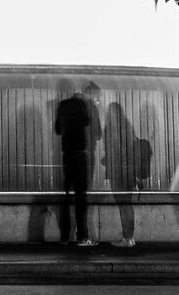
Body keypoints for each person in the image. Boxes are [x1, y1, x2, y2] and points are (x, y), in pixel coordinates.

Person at [52, 81, 102, 247]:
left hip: (66, 156)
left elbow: (58, 130)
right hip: (82, 155)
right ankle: (82, 236)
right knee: (81, 197)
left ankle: (65, 236)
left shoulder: (62, 105)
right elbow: (91, 126)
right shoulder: (84, 105)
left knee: (66, 197)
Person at [101, 91, 147, 250]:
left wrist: (109, 160)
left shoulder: (113, 129)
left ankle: (127, 237)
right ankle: (130, 237)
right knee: (127, 205)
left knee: (123, 205)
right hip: (127, 172)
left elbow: (117, 151)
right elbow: (126, 150)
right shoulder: (127, 127)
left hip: (119, 173)